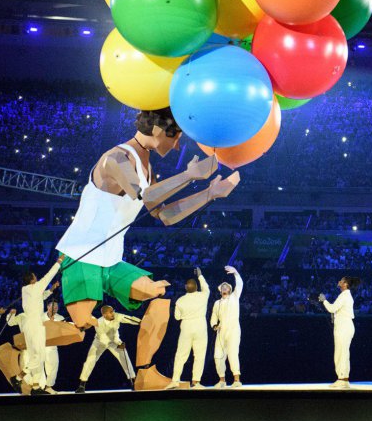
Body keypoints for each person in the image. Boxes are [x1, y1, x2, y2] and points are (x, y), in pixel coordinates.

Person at [57, 108, 239, 330]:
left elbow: (165, 215)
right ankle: (15, 348)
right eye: (175, 138)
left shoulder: (148, 169)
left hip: (111, 260)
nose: (177, 146)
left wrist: (209, 194)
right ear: (156, 129)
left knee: (157, 295)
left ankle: (144, 366)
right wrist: (189, 176)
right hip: (81, 255)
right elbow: (144, 196)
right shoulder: (116, 158)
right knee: (81, 327)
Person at [20, 255, 64, 395]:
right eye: (35, 277)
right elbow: (49, 275)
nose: (37, 278)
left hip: (29, 324)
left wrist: (50, 290)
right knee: (39, 356)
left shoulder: (27, 290)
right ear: (32, 280)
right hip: (35, 324)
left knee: (35, 355)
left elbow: (41, 296)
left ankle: (36, 386)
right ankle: (19, 376)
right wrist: (59, 262)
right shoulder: (35, 287)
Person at [75, 305, 140, 393]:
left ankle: (134, 382)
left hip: (114, 341)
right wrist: (118, 346)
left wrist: (140, 322)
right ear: (104, 315)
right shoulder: (98, 322)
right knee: (90, 360)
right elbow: (103, 339)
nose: (113, 313)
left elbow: (128, 319)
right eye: (110, 312)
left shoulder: (116, 316)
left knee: (124, 357)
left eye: (113, 311)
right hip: (99, 342)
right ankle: (82, 385)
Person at [166, 268, 210, 389]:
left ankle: (175, 380)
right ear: (196, 287)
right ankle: (196, 382)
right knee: (199, 355)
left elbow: (176, 317)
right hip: (200, 325)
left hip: (186, 326)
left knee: (181, 355)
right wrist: (200, 276)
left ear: (186, 288)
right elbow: (206, 287)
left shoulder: (180, 301)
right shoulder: (203, 296)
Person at [319, 276, 360, 388]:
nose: (339, 281)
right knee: (343, 352)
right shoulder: (345, 296)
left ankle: (342, 378)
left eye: (341, 281)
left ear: (345, 284)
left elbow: (332, 308)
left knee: (341, 352)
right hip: (344, 326)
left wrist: (324, 300)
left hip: (344, 327)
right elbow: (337, 310)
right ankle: (343, 379)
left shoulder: (344, 296)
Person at [210, 265, 243, 388]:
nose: (224, 287)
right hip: (221, 331)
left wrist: (236, 273)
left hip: (233, 330)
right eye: (222, 286)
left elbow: (239, 285)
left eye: (227, 286)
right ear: (220, 290)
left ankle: (236, 379)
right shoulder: (217, 303)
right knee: (218, 355)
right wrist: (214, 325)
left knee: (233, 353)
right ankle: (222, 380)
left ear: (229, 289)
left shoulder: (234, 297)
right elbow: (214, 316)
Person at [42, 299, 67, 394]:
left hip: (52, 345)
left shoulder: (60, 318)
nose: (55, 309)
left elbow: (63, 331)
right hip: (39, 344)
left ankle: (48, 387)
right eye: (53, 307)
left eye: (56, 307)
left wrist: (55, 324)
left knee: (53, 366)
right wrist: (49, 323)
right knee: (37, 367)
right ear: (47, 307)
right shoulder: (40, 316)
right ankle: (37, 387)